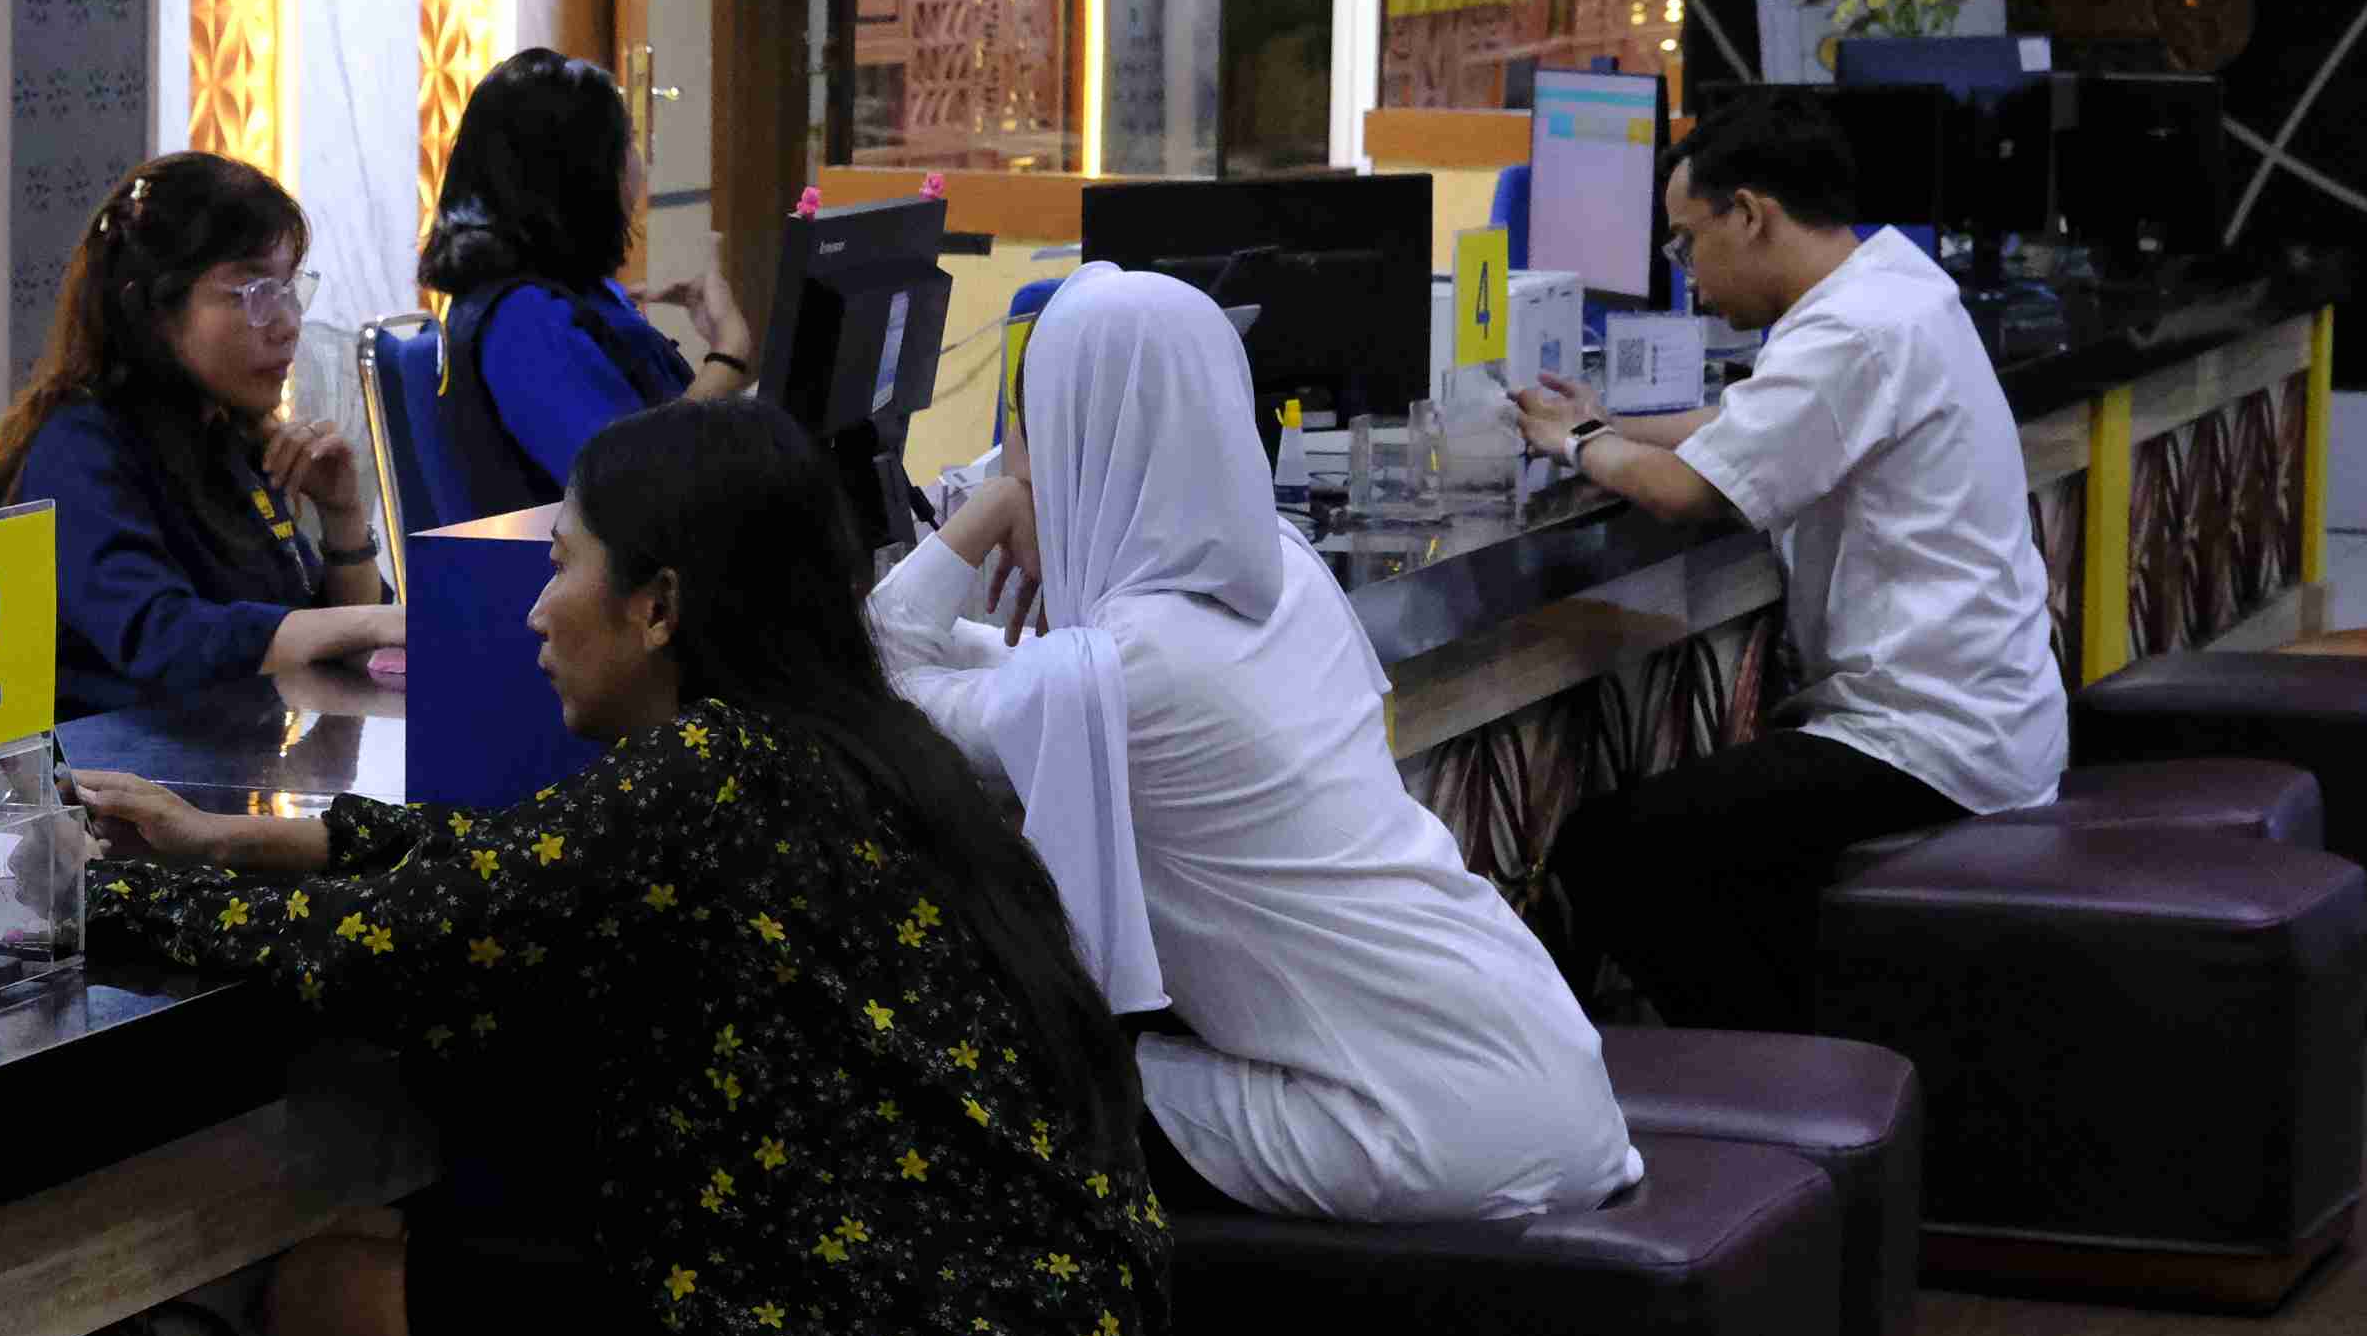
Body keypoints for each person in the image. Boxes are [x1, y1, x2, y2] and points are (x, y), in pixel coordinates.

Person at [73, 397, 1162, 1336]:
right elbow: (513, 858)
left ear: (658, 606)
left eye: (562, 566)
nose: (537, 612)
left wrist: (78, 895)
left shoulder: (703, 779)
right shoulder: (866, 751)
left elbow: (385, 943)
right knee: (420, 1253)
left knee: (327, 1302)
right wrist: (231, 838)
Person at [873, 267, 1641, 1221]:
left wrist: (989, 509)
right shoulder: (1284, 570)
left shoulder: (1125, 670)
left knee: (1016, 1084)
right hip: (1543, 1068)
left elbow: (884, 670)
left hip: (1415, 1126)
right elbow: (1036, 682)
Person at [1517, 94, 2065, 1032]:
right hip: (1985, 716)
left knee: (1610, 852)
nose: (1688, 276)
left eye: (1687, 243)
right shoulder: (1893, 286)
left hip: (1933, 741)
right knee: (1706, 861)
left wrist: (1578, 447)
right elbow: (1751, 421)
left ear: (1749, 214)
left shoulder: (1853, 331)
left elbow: (1689, 491)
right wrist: (1603, 419)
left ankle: (1791, 1074)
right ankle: (1797, 1059)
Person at [0, 152, 399, 714]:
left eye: (288, 289)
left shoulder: (228, 435)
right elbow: (163, 638)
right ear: (150, 309)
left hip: (233, 762)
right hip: (114, 766)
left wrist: (343, 517)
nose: (287, 325)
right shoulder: (80, 447)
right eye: (253, 294)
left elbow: (347, 653)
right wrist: (372, 622)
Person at [417, 49, 751, 509]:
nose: (640, 165)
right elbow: (626, 494)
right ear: (580, 177)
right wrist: (728, 356)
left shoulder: (569, 289)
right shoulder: (523, 323)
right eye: (628, 144)